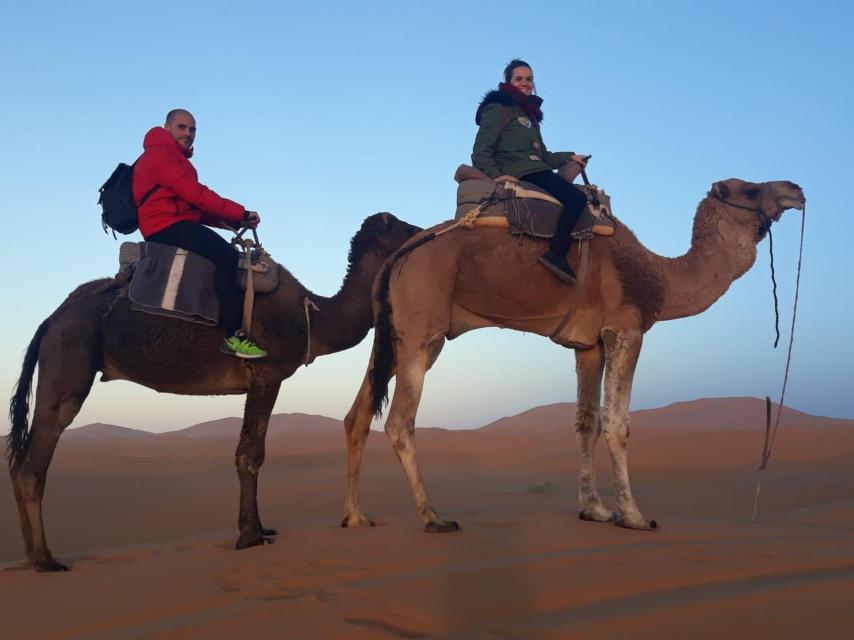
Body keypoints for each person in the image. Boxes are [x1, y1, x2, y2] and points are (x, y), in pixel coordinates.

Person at [133, 109, 267, 358]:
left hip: (172, 221)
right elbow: (197, 195)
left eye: (192, 129)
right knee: (227, 256)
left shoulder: (174, 158)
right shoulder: (161, 155)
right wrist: (240, 212)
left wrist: (234, 222)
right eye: (182, 127)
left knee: (220, 251)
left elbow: (192, 207)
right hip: (163, 224)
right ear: (167, 127)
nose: (188, 133)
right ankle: (233, 335)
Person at [472, 59, 589, 284]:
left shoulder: (529, 115)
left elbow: (543, 156)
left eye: (529, 79)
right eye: (519, 79)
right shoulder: (499, 108)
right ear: (507, 82)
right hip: (523, 172)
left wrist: (570, 157)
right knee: (577, 199)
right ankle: (556, 253)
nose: (525, 83)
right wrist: (497, 175)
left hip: (537, 169)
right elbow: (480, 151)